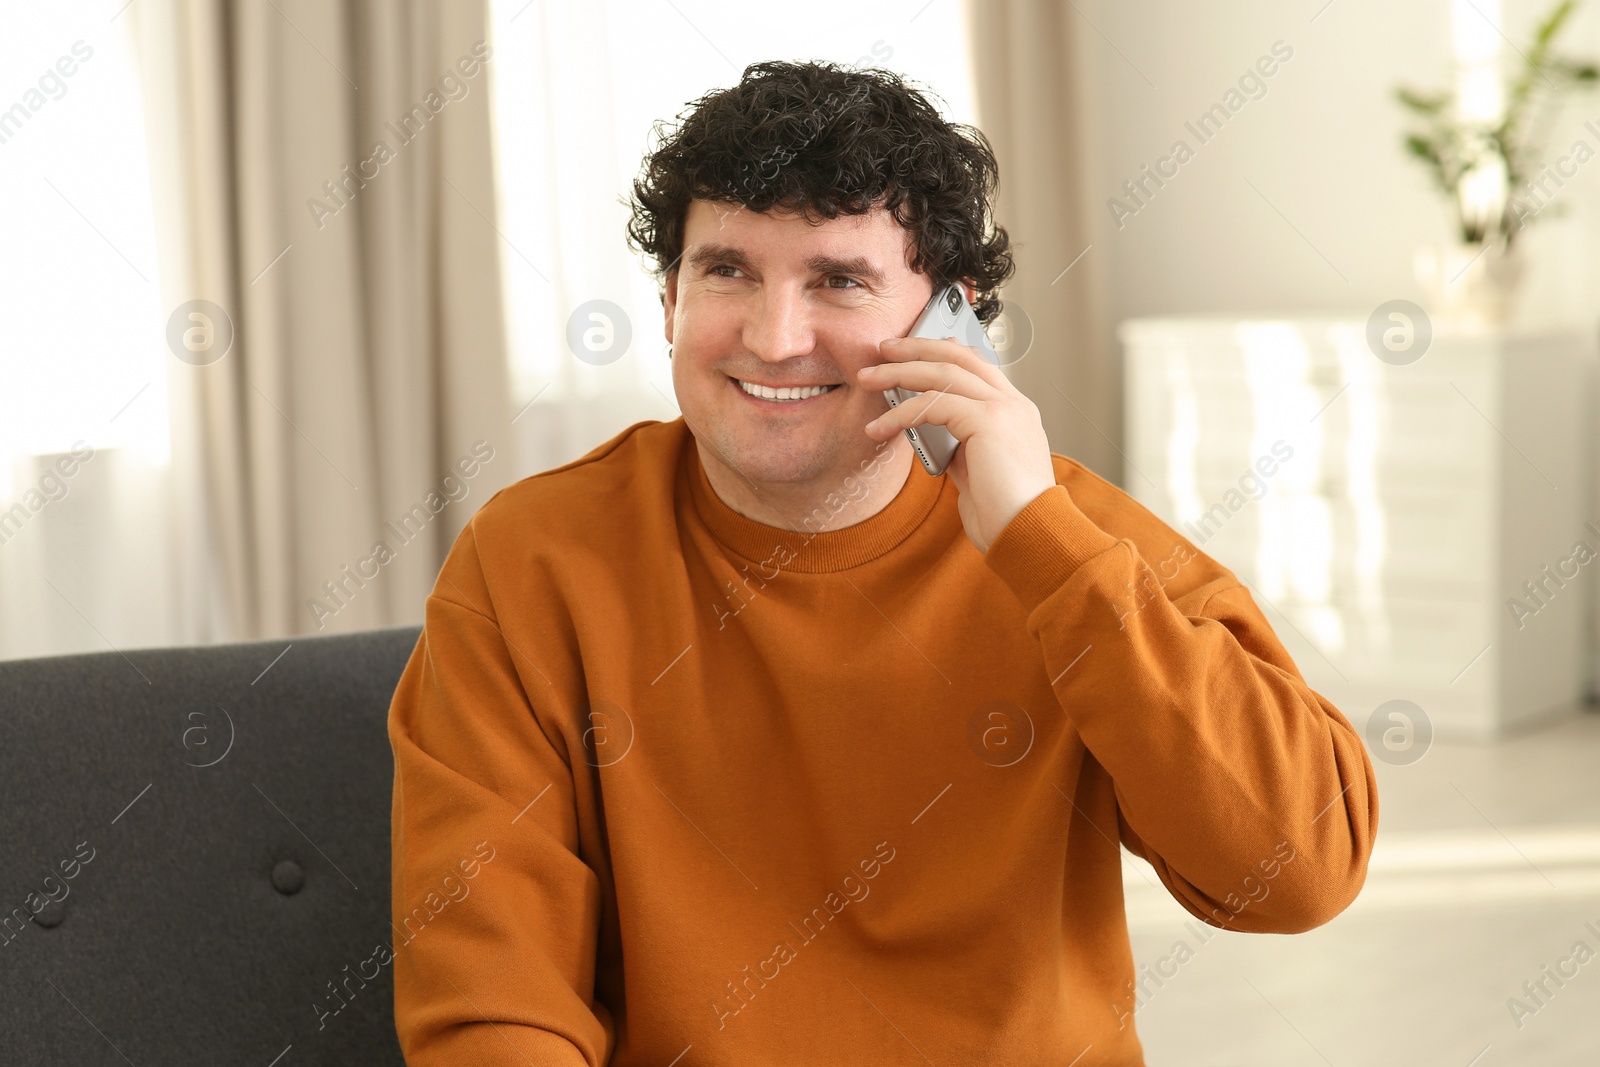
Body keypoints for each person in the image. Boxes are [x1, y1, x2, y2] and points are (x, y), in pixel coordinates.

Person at [387, 59, 1378, 1066]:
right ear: (669, 302)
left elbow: (1297, 872)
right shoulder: (530, 560)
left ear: (951, 317)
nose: (775, 339)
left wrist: (1046, 550)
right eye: (726, 270)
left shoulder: (1068, 537)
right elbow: (492, 1008)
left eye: (840, 280)